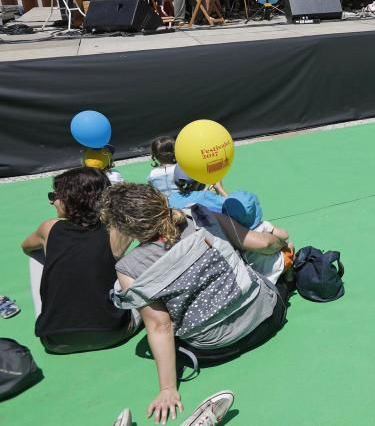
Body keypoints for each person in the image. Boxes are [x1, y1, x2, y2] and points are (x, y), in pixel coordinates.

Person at [104, 184, 289, 422]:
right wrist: (281, 244)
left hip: (216, 348)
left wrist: (168, 389)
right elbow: (263, 244)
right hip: (268, 316)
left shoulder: (128, 268)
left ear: (123, 227)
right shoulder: (200, 214)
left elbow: (160, 326)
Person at [21, 168, 138, 354]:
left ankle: (52, 315)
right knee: (127, 260)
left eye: (54, 196)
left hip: (54, 341)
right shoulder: (117, 228)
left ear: (71, 199)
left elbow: (26, 247)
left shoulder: (49, 228)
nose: (52, 201)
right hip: (114, 332)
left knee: (36, 257)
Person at [221, 195, 294, 285]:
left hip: (257, 275)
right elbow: (285, 235)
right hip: (277, 267)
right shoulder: (264, 225)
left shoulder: (231, 235)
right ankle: (289, 275)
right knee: (290, 245)